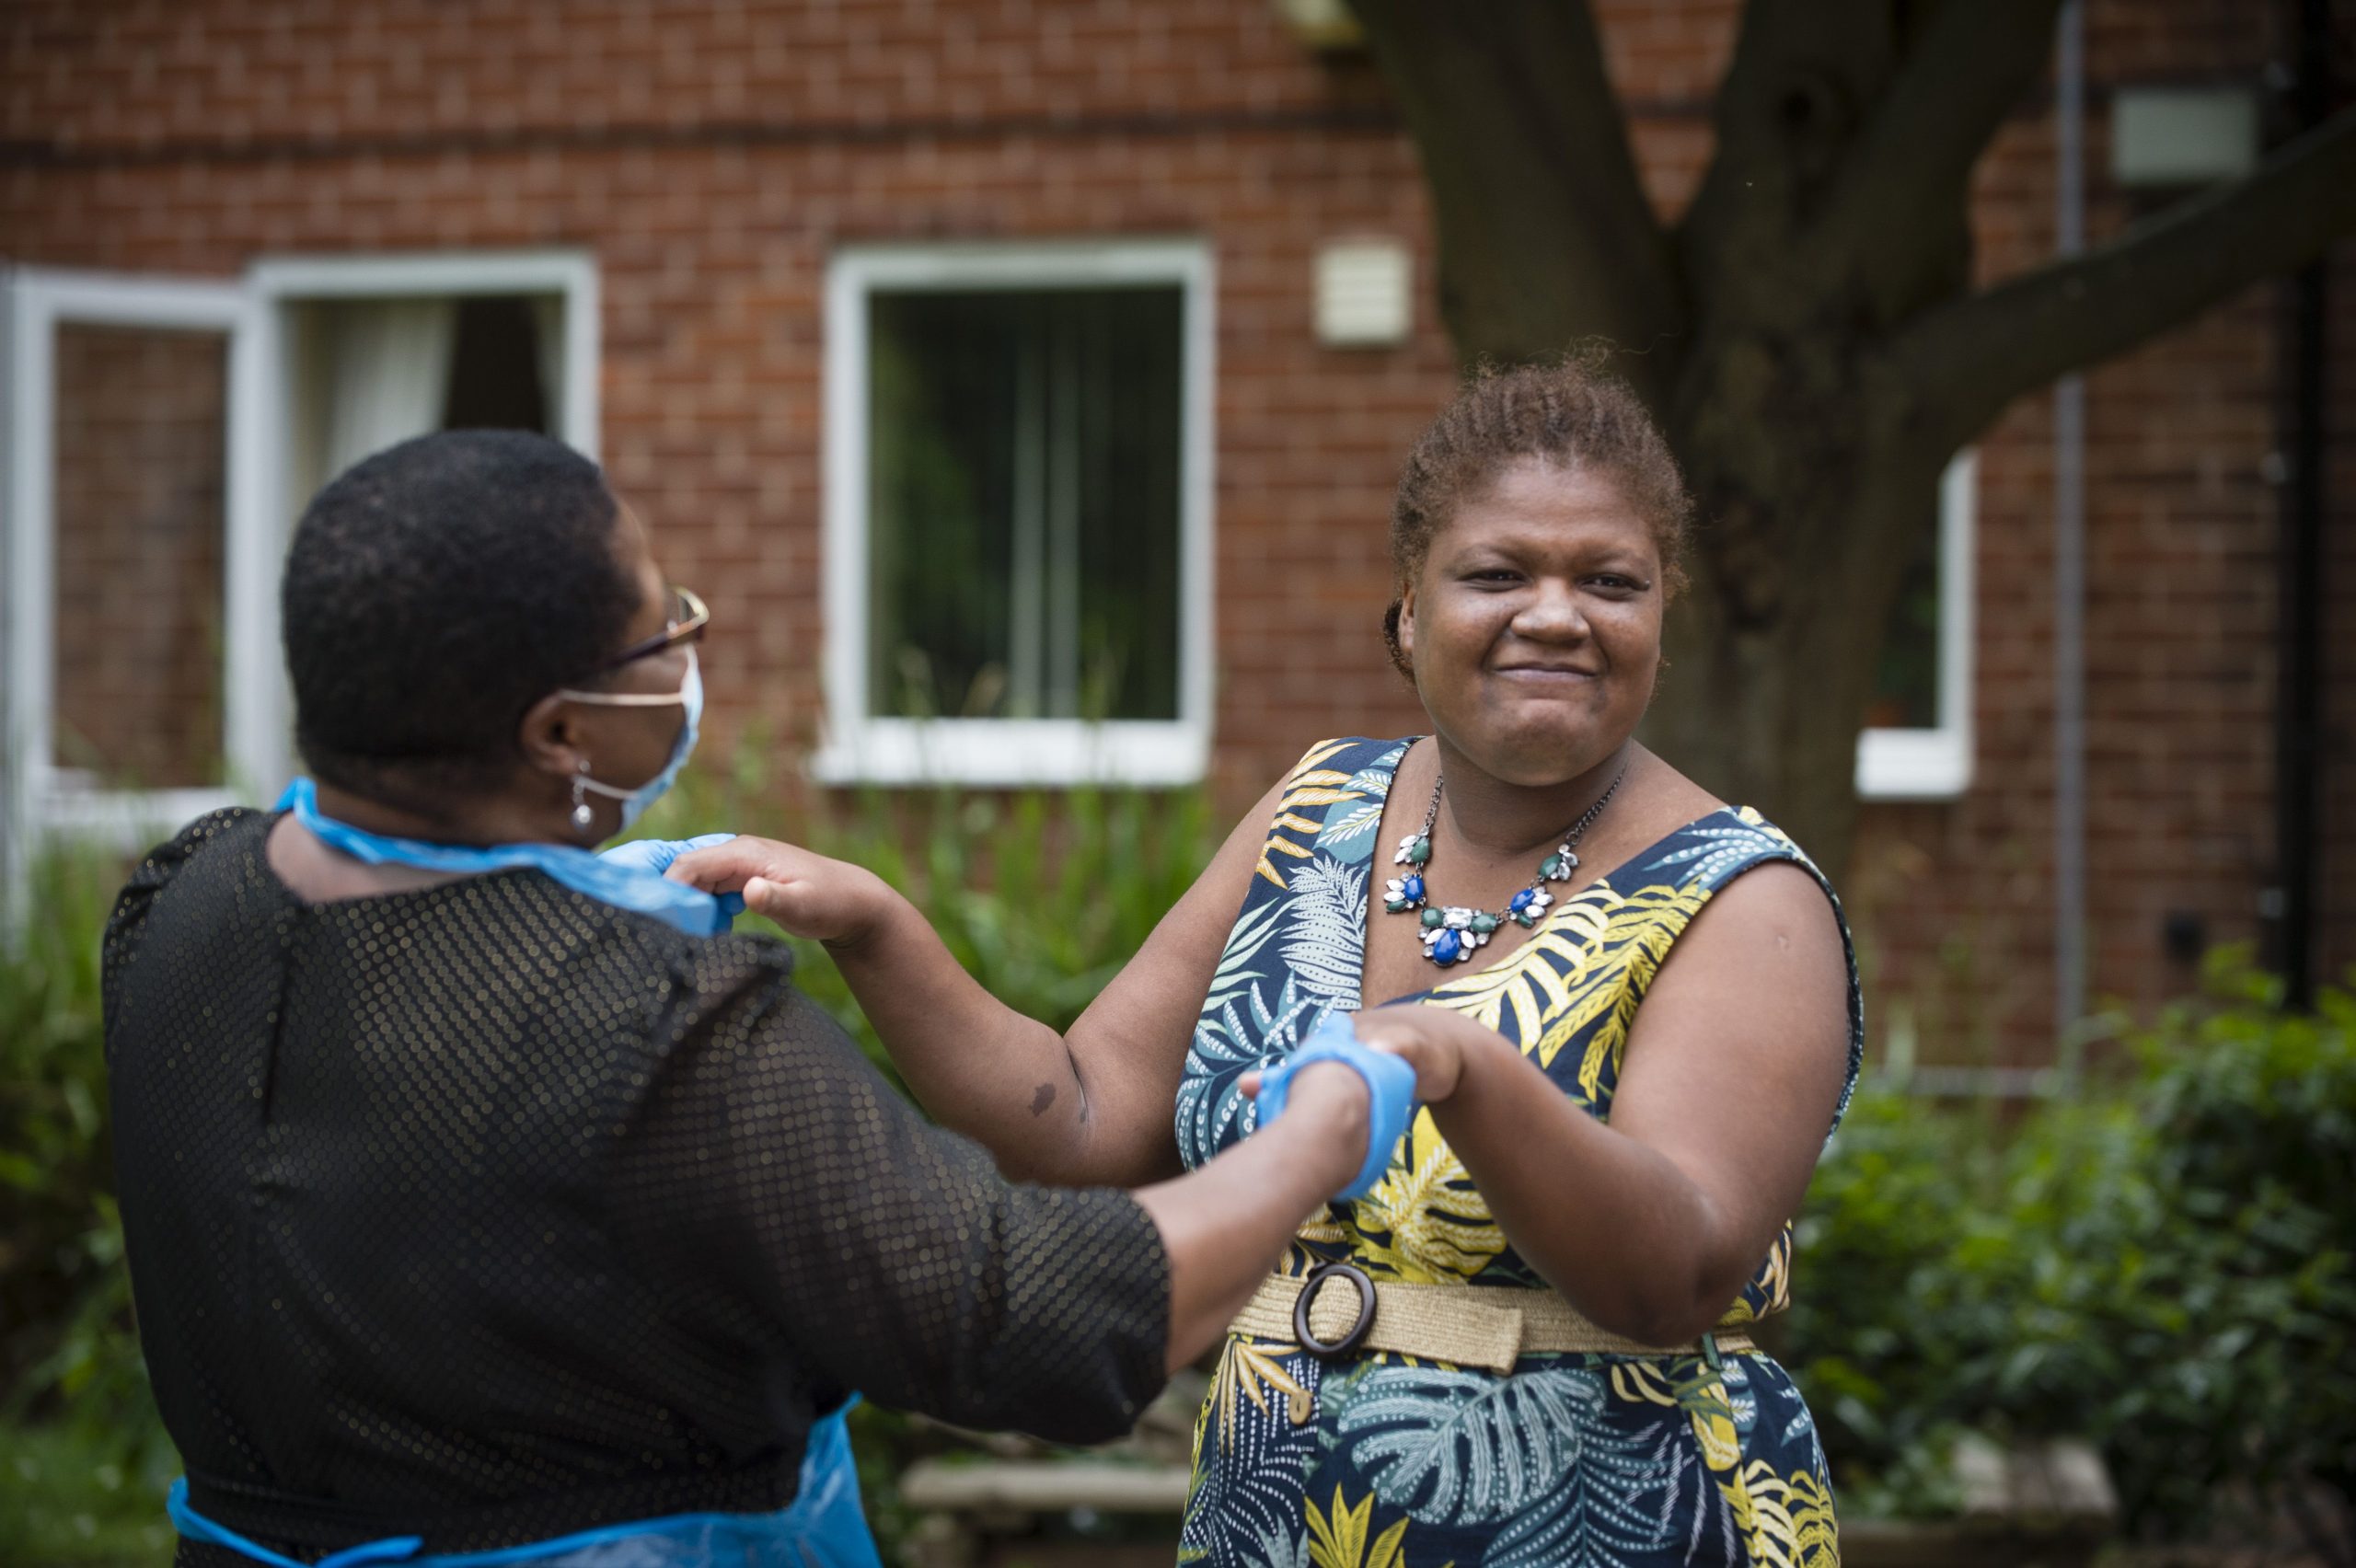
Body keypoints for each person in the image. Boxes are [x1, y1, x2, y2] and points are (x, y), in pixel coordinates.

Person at [101, 430, 1393, 1568]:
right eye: (662, 631)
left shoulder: (178, 904)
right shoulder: (654, 1030)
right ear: (561, 735)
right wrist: (1319, 1130)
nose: (689, 647)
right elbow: (1032, 1323)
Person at [675, 362, 1861, 1566]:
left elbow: (1675, 1276)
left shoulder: (1742, 896)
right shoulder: (1320, 809)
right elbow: (1080, 1124)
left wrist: (1462, 1066)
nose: (1556, 614)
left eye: (1610, 582)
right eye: (1499, 574)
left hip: (1617, 1525)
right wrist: (877, 930)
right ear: (1410, 610)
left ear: (1661, 616)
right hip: (1274, 1518)